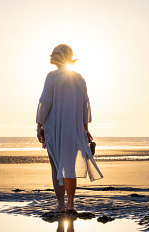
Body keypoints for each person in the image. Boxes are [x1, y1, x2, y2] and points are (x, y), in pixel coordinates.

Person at [36, 44, 103, 213]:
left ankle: (61, 204)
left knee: (56, 166)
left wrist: (39, 125)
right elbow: (85, 106)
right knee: (70, 167)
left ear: (62, 56)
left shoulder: (52, 77)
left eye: (55, 53)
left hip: (55, 128)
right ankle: (71, 204)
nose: (51, 55)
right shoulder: (79, 78)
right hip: (74, 128)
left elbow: (45, 103)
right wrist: (85, 128)